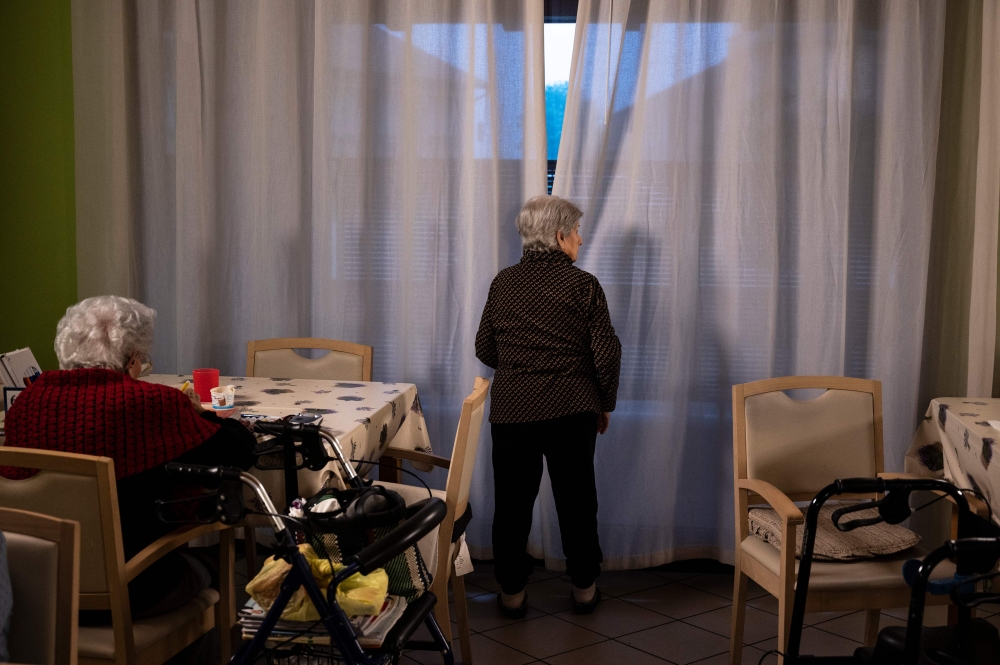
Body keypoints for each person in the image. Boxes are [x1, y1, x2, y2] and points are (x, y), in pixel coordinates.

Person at [2, 295, 257, 622]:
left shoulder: (25, 404)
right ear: (133, 358)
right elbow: (239, 451)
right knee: (215, 565)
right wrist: (199, 413)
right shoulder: (151, 402)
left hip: (42, 594)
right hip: (132, 592)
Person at [475, 195, 621, 617]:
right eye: (576, 231)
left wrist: (523, 363)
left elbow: (485, 346)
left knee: (512, 503)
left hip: (512, 412)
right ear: (560, 237)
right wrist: (604, 402)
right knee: (577, 501)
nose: (581, 237)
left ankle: (512, 593)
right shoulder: (583, 286)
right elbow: (606, 353)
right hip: (572, 410)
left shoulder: (503, 283)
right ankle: (583, 589)